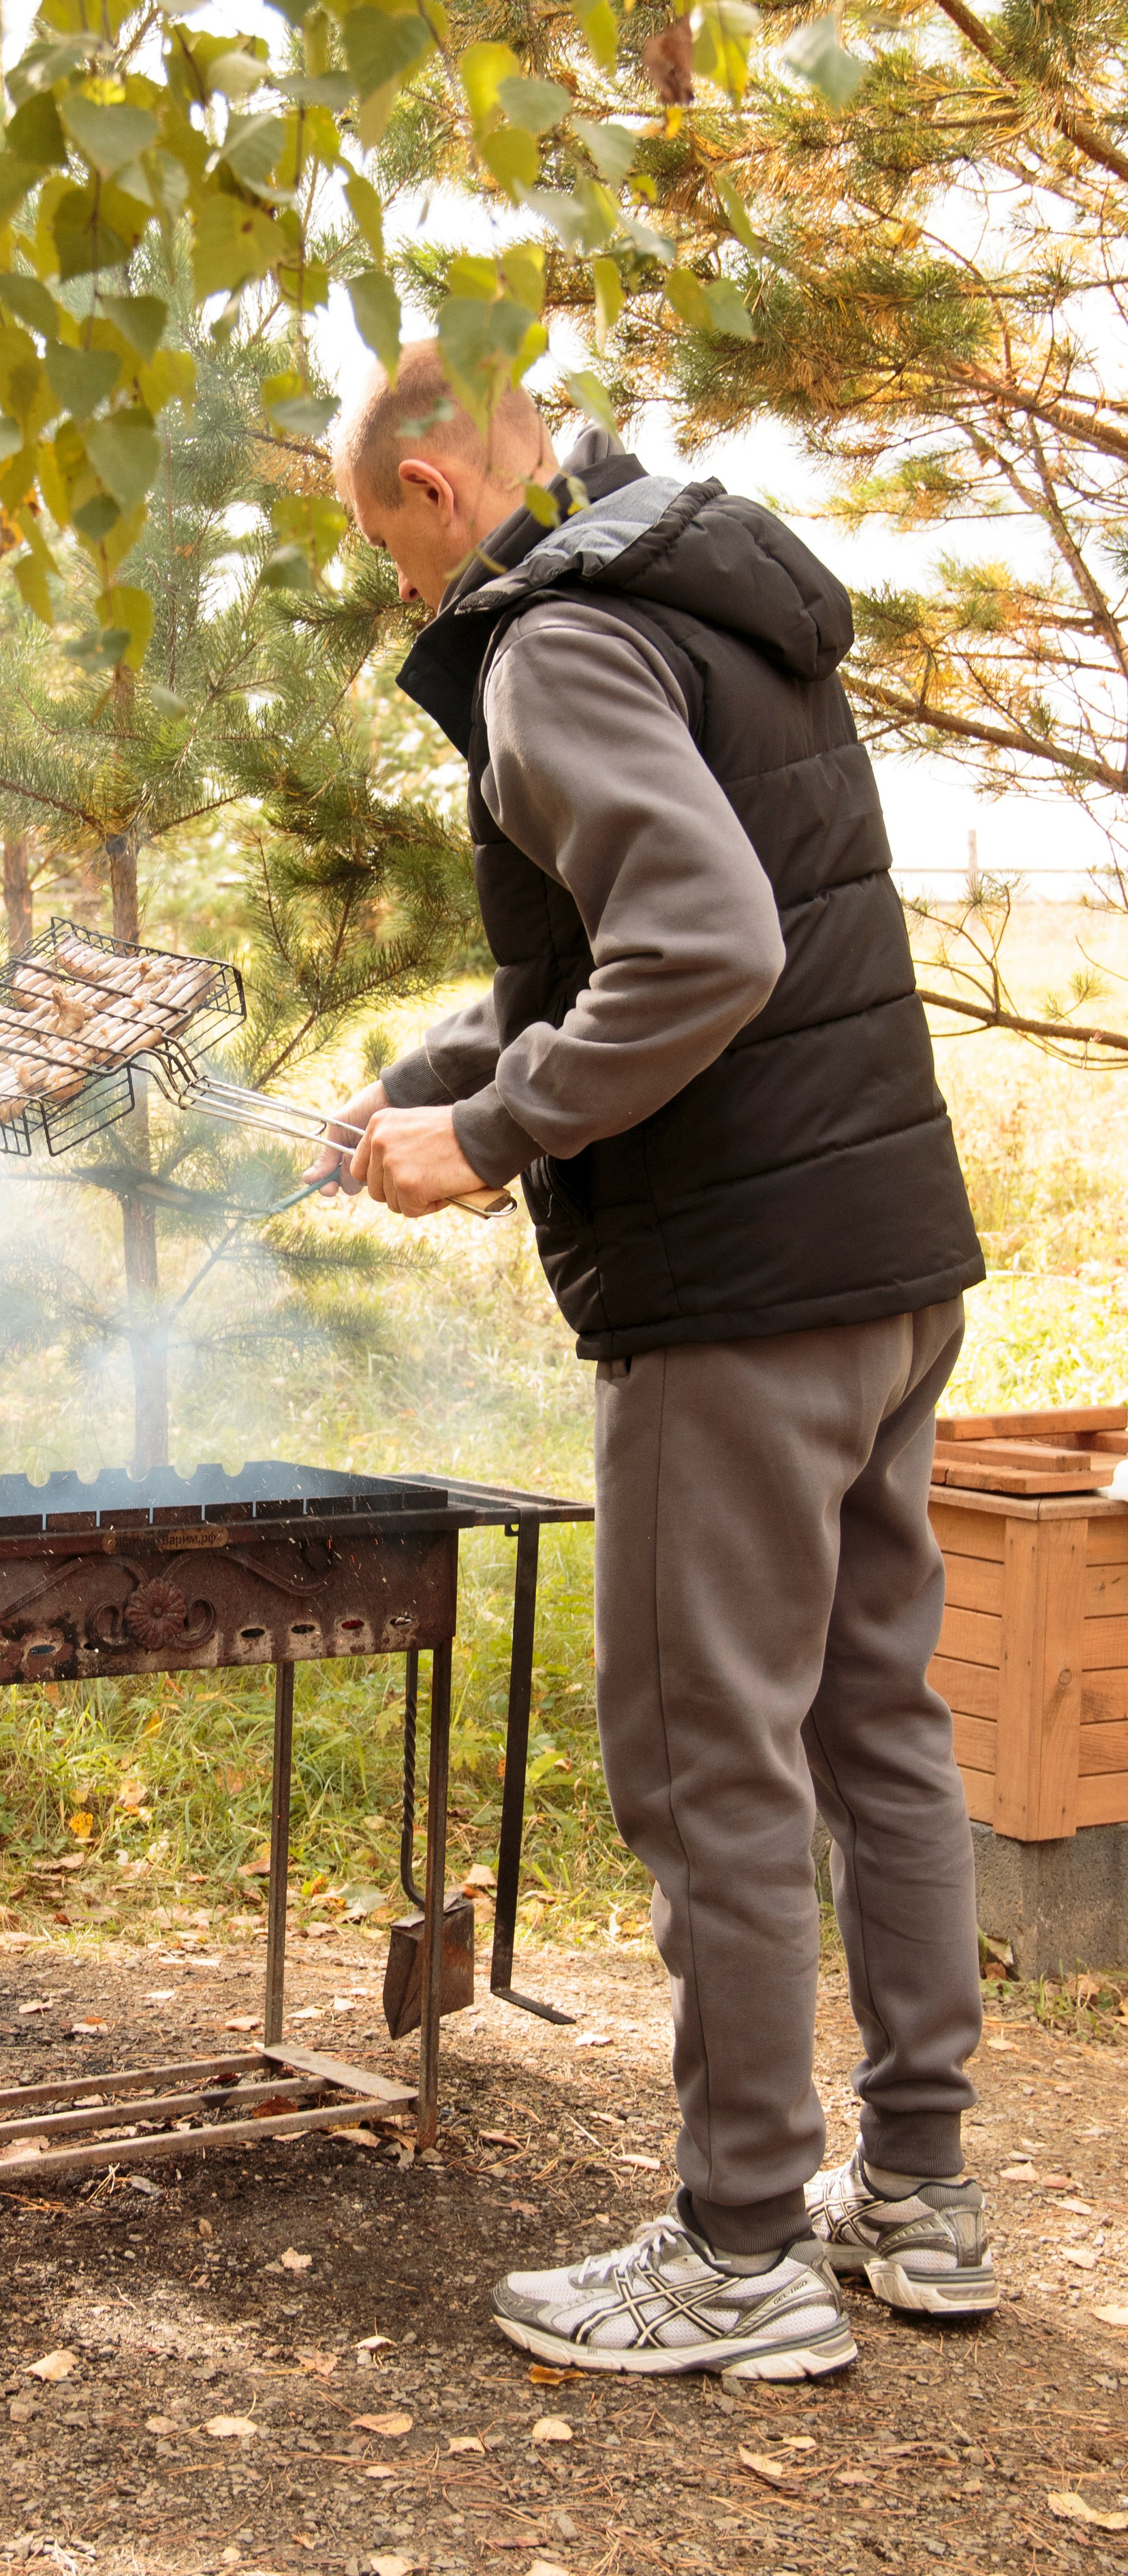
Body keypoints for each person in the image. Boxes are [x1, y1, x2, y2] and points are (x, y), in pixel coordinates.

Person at [310, 342, 994, 2380]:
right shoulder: (708, 594)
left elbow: (703, 949)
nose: (407, 594)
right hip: (883, 1255)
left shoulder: (547, 646)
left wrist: (499, 1137)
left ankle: (736, 2251)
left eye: (388, 548)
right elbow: (650, 935)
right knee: (876, 1724)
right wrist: (426, 1087)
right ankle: (920, 2193)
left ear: (437, 485)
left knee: (707, 1768)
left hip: (738, 1290)